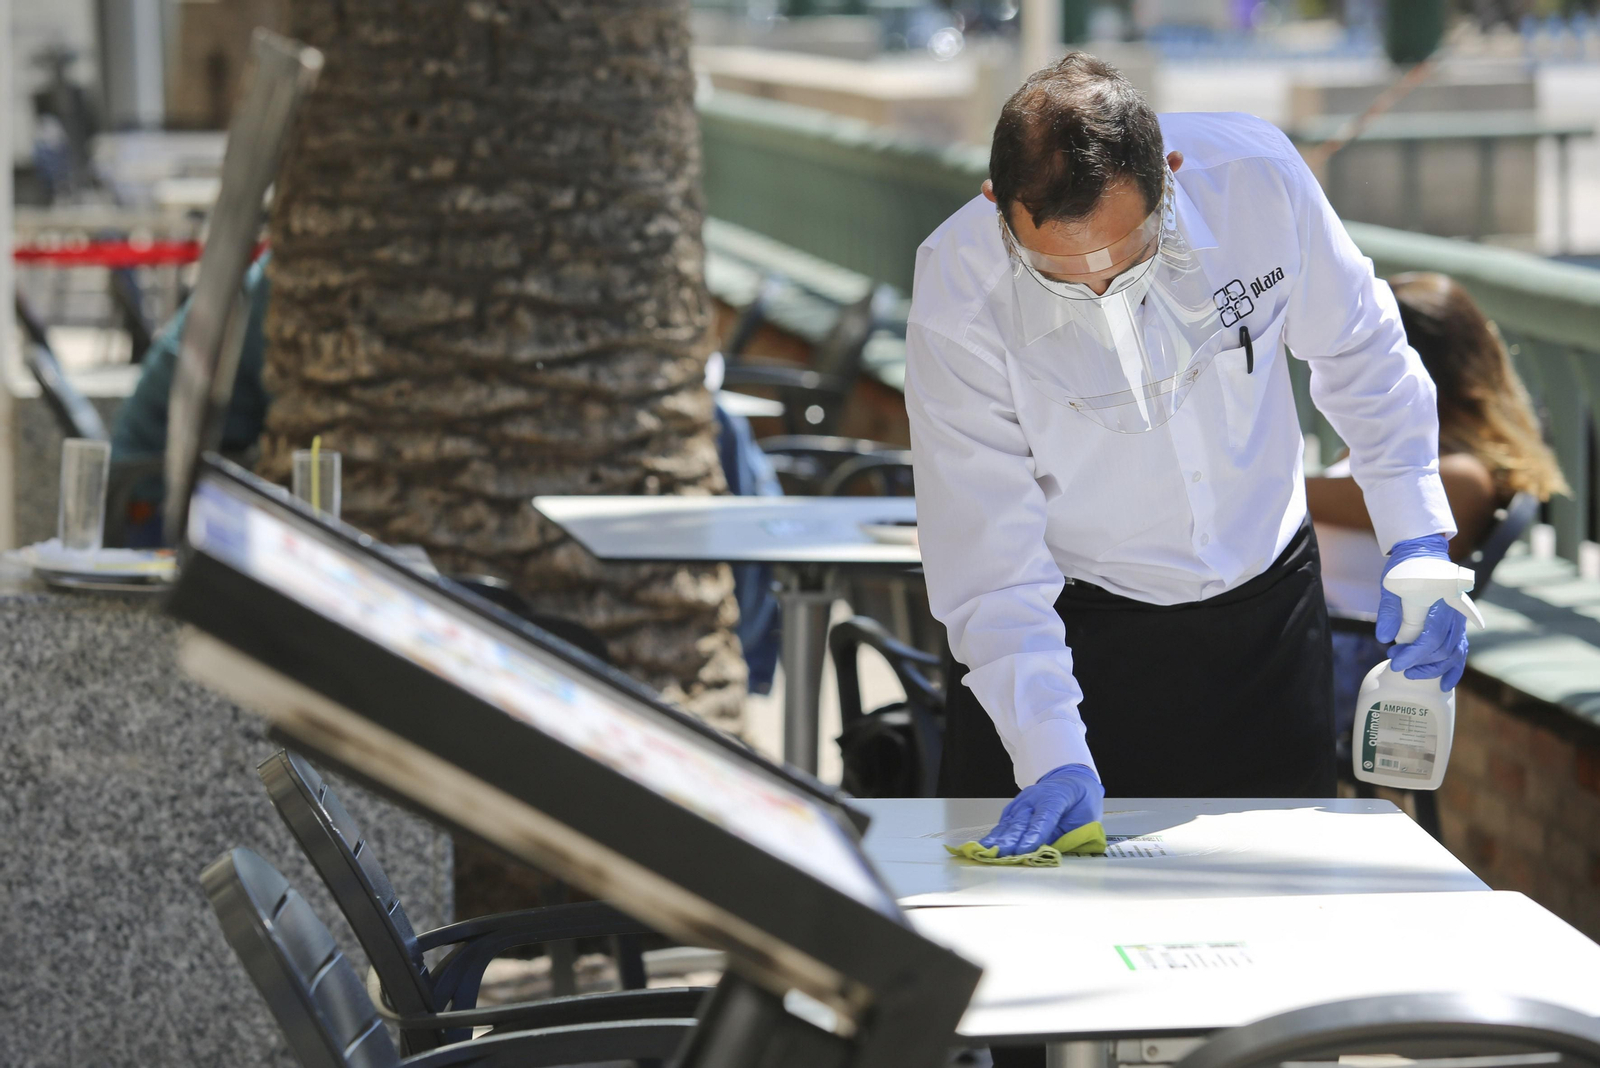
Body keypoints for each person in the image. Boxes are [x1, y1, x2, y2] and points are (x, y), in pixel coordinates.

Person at [906, 53, 1473, 867]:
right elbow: (988, 555)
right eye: (1059, 270)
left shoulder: (1258, 182)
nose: (1100, 288)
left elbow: (1365, 356)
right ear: (997, 205)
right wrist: (1049, 748)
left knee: (1281, 923)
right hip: (1078, 629)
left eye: (1125, 255)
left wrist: (1418, 541)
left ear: (1168, 174)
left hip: (1267, 617)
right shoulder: (957, 287)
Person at [1308, 271, 1567, 720]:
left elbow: (1296, 497)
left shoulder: (1458, 479)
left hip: (1341, 657)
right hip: (1316, 640)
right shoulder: (1406, 458)